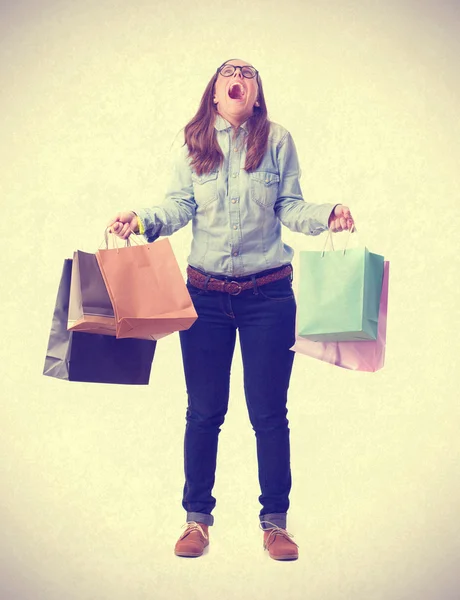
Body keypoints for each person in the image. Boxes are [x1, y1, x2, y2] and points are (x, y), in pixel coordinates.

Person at [108, 58, 354, 561]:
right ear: (215, 93)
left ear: (257, 94)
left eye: (247, 74)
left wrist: (326, 214)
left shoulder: (278, 140)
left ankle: (276, 524)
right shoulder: (195, 141)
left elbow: (289, 205)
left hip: (269, 296)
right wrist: (141, 218)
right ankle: (196, 521)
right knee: (204, 412)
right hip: (204, 297)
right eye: (226, 74)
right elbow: (178, 205)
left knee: (269, 414)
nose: (236, 79)